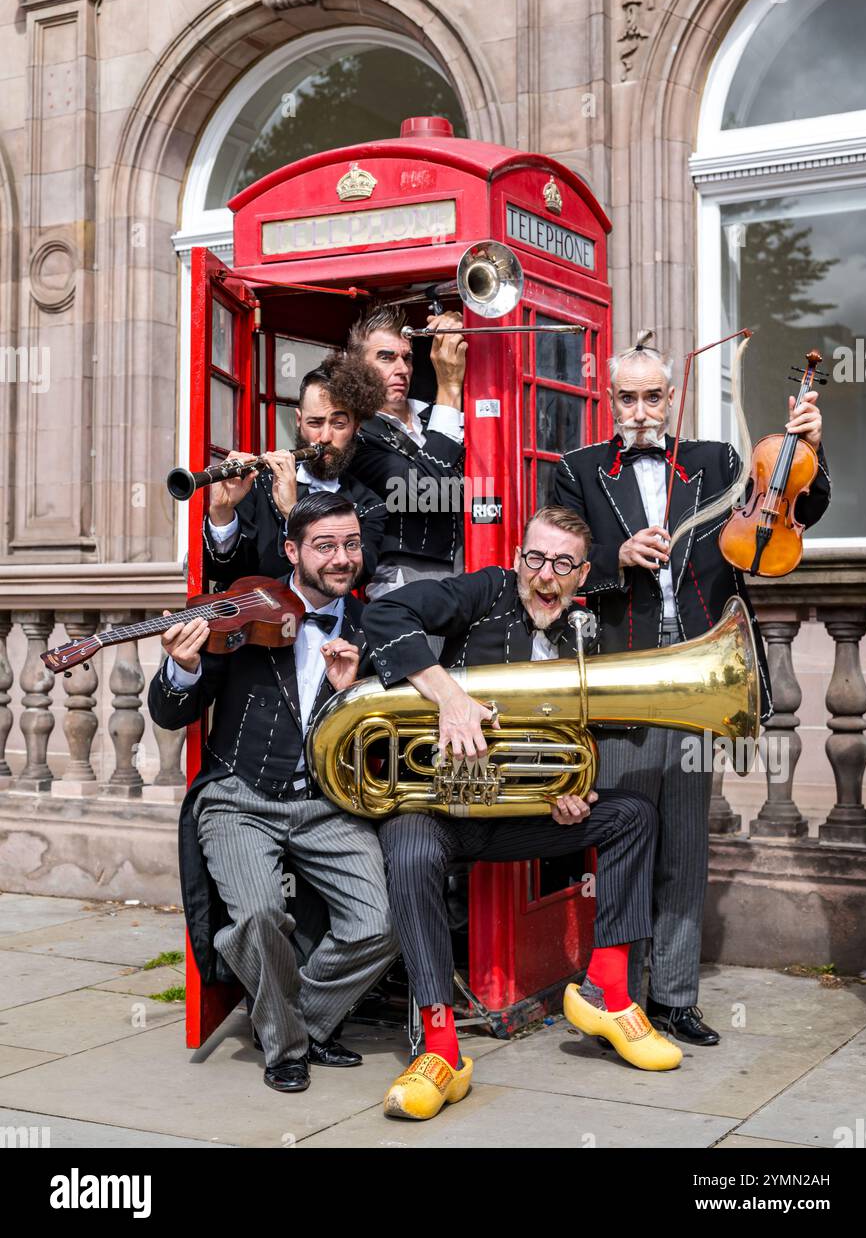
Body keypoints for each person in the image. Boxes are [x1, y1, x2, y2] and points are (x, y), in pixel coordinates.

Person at [553, 330, 830, 1045]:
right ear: (607, 399)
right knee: (623, 840)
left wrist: (811, 448)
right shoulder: (578, 470)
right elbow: (549, 570)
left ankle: (674, 997)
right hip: (623, 675)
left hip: (704, 674)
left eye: (654, 396)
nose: (642, 410)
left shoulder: (716, 461)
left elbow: (794, 504)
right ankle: (621, 996)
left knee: (684, 843)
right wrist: (612, 559)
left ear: (672, 398)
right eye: (628, 397)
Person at [362, 505, 681, 1122]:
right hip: (445, 810)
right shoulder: (482, 591)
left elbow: (581, 739)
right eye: (535, 558)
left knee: (634, 814)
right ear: (517, 560)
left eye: (563, 564)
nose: (545, 576)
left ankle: (607, 991)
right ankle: (441, 1049)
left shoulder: (590, 633)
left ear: (583, 573)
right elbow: (384, 612)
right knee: (408, 845)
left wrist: (570, 792)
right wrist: (449, 696)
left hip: (518, 818)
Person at [148, 493, 398, 1093]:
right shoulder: (244, 610)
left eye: (352, 545)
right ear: (292, 551)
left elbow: (388, 741)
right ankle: (285, 1048)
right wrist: (181, 668)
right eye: (326, 546)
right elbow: (168, 710)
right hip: (240, 797)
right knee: (259, 915)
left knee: (381, 924)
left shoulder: (374, 627)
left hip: (325, 803)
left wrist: (355, 691)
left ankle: (296, 1022)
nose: (343, 559)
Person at [203, 353, 387, 588]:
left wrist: (294, 513)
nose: (324, 437)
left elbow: (353, 574)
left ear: (356, 427)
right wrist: (221, 513)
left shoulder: (370, 506)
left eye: (338, 424)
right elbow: (223, 572)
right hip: (251, 622)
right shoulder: (258, 481)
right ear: (298, 421)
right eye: (315, 423)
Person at [346, 304, 466, 598]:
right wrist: (449, 387)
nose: (402, 369)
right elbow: (426, 494)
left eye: (408, 358)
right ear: (355, 365)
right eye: (386, 358)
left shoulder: (432, 415)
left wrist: (461, 330)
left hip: (474, 564)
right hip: (406, 579)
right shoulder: (355, 436)